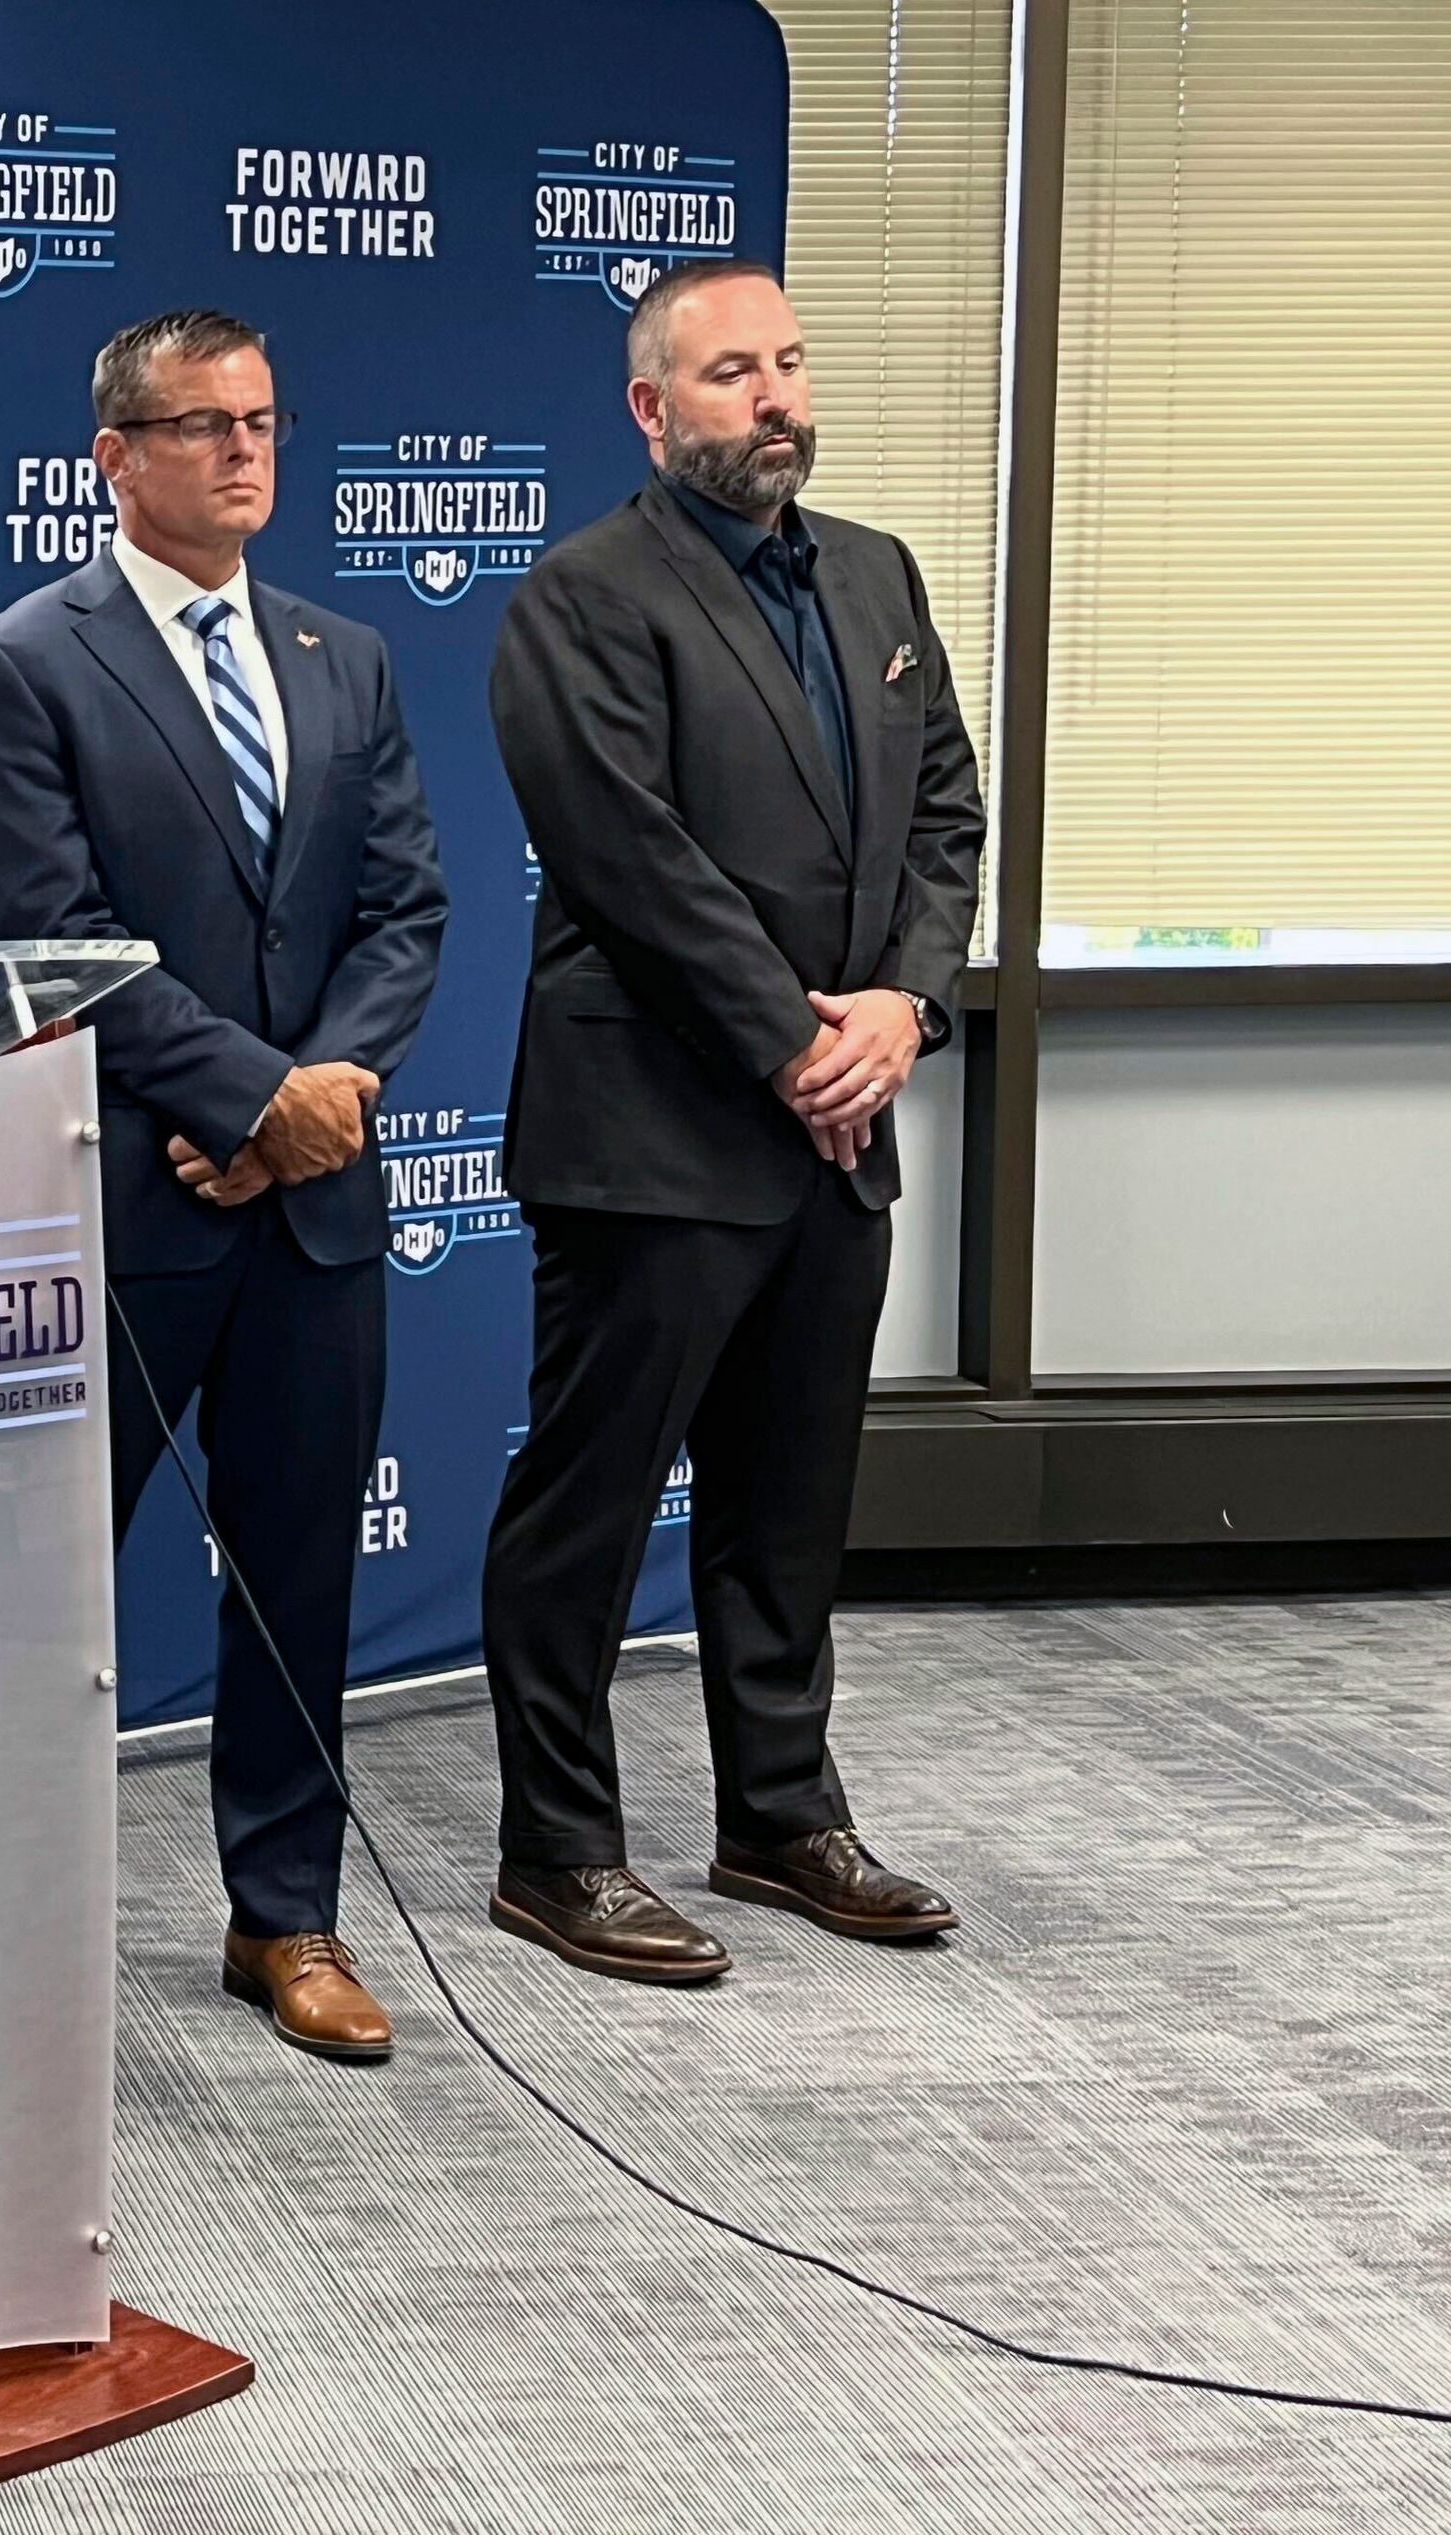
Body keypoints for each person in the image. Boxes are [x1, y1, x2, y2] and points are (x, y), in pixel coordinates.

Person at [0, 309, 448, 2062]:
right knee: (48, 1594)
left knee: (298, 1572)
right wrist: (246, 1098)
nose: (243, 451)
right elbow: (51, 940)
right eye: (202, 424)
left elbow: (404, 912)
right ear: (115, 457)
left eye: (263, 420)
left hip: (308, 1214)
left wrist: (315, 1102)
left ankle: (285, 1918)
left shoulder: (345, 654)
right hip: (120, 1210)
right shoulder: (16, 664)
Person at [476, 258, 982, 1984]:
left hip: (839, 1121)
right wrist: (796, 1044)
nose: (774, 396)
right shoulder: (582, 596)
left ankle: (779, 1814)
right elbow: (629, 862)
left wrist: (906, 1008)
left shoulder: (877, 574)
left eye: (787, 362)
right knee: (589, 1505)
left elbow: (947, 813)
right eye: (728, 373)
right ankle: (556, 1852)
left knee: (788, 1502)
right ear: (652, 408)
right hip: (656, 1134)